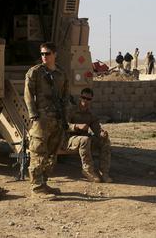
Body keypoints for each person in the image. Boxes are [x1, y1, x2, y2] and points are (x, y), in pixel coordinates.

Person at [24, 42, 69, 199]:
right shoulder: (35, 72)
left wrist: (65, 118)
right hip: (41, 119)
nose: (44, 56)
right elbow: (28, 94)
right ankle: (36, 188)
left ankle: (44, 183)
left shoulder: (61, 74)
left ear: (55, 54)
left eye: (47, 53)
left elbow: (65, 98)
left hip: (56, 119)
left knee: (51, 153)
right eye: (42, 54)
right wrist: (33, 114)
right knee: (38, 151)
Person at [65, 88, 112, 183]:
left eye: (88, 99)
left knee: (105, 141)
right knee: (85, 140)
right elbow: (63, 125)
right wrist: (77, 126)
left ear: (91, 100)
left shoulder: (91, 114)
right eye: (84, 98)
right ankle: (88, 170)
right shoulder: (71, 110)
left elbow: (96, 128)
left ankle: (104, 172)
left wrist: (101, 133)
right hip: (69, 139)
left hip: (84, 140)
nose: (85, 101)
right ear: (80, 98)